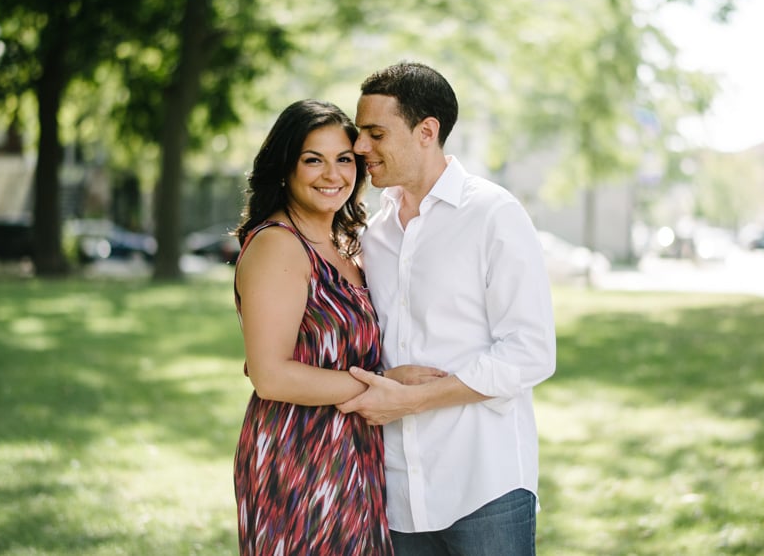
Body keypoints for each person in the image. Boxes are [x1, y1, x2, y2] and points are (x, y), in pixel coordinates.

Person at [337, 62, 557, 555]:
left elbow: (531, 352)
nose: (359, 148)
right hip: (396, 488)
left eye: (375, 133)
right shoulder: (375, 233)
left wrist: (412, 400)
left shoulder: (493, 215)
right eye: (359, 134)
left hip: (484, 482)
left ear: (426, 132)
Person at [232, 99, 445, 556]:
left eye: (344, 159)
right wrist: (384, 385)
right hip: (299, 453)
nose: (332, 174)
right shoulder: (278, 245)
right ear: (285, 167)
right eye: (313, 160)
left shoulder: (345, 246)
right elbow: (270, 376)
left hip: (355, 451)